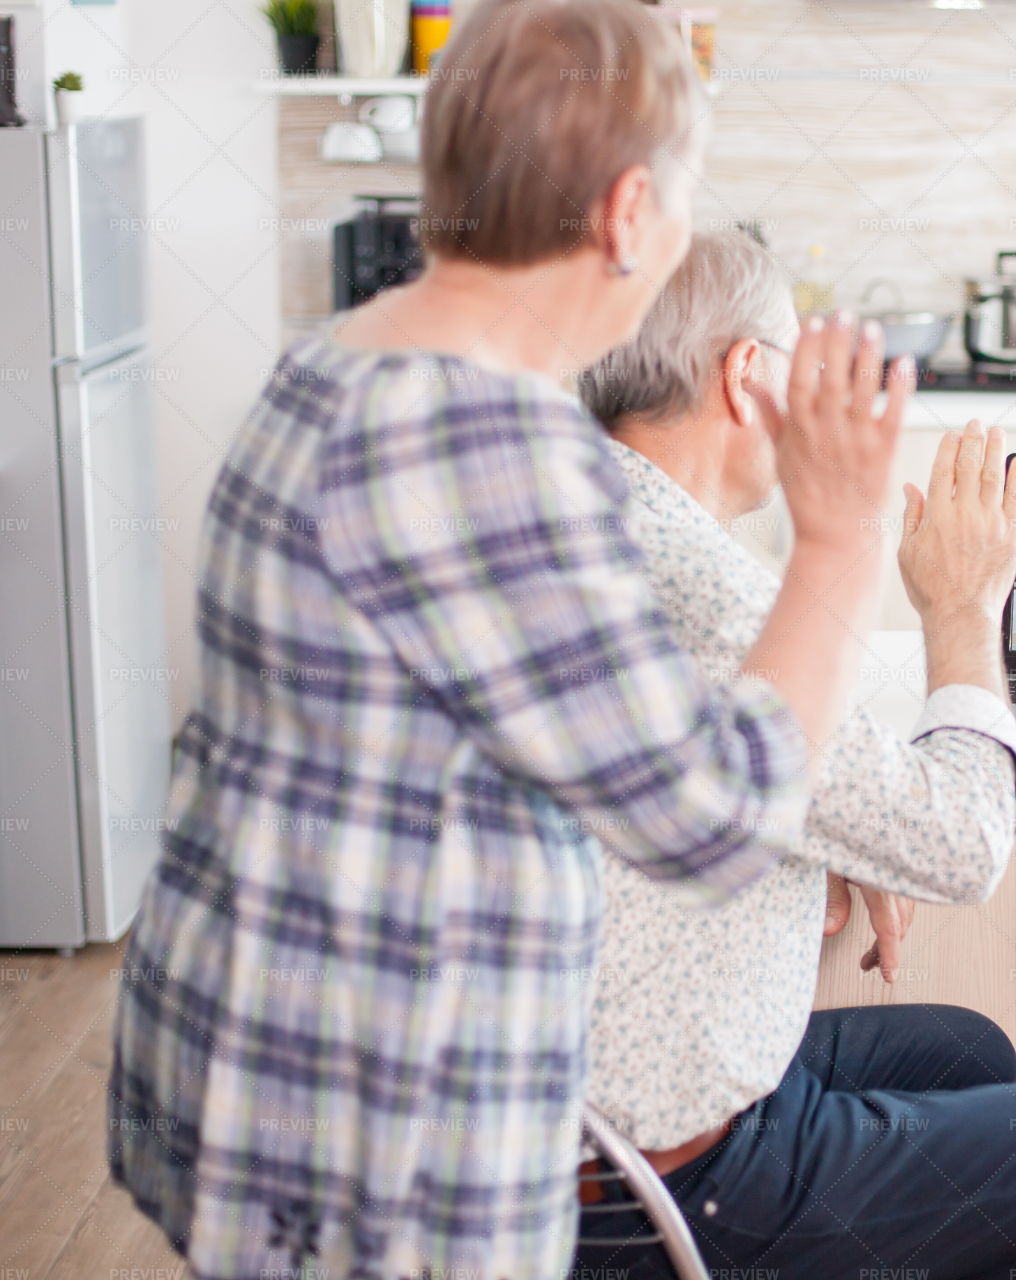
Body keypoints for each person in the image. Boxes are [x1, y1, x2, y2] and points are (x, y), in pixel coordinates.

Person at [105, 7, 914, 1278]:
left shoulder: (331, 367)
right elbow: (717, 815)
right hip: (376, 1162)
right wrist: (842, 542)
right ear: (628, 212)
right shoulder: (495, 462)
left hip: (225, 1056)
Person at [572, 231, 1016, 1280]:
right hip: (661, 1177)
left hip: (592, 1087)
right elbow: (959, 845)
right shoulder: (708, 595)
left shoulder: (595, 515)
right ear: (745, 375)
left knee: (968, 1054)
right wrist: (963, 608)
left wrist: (827, 831)